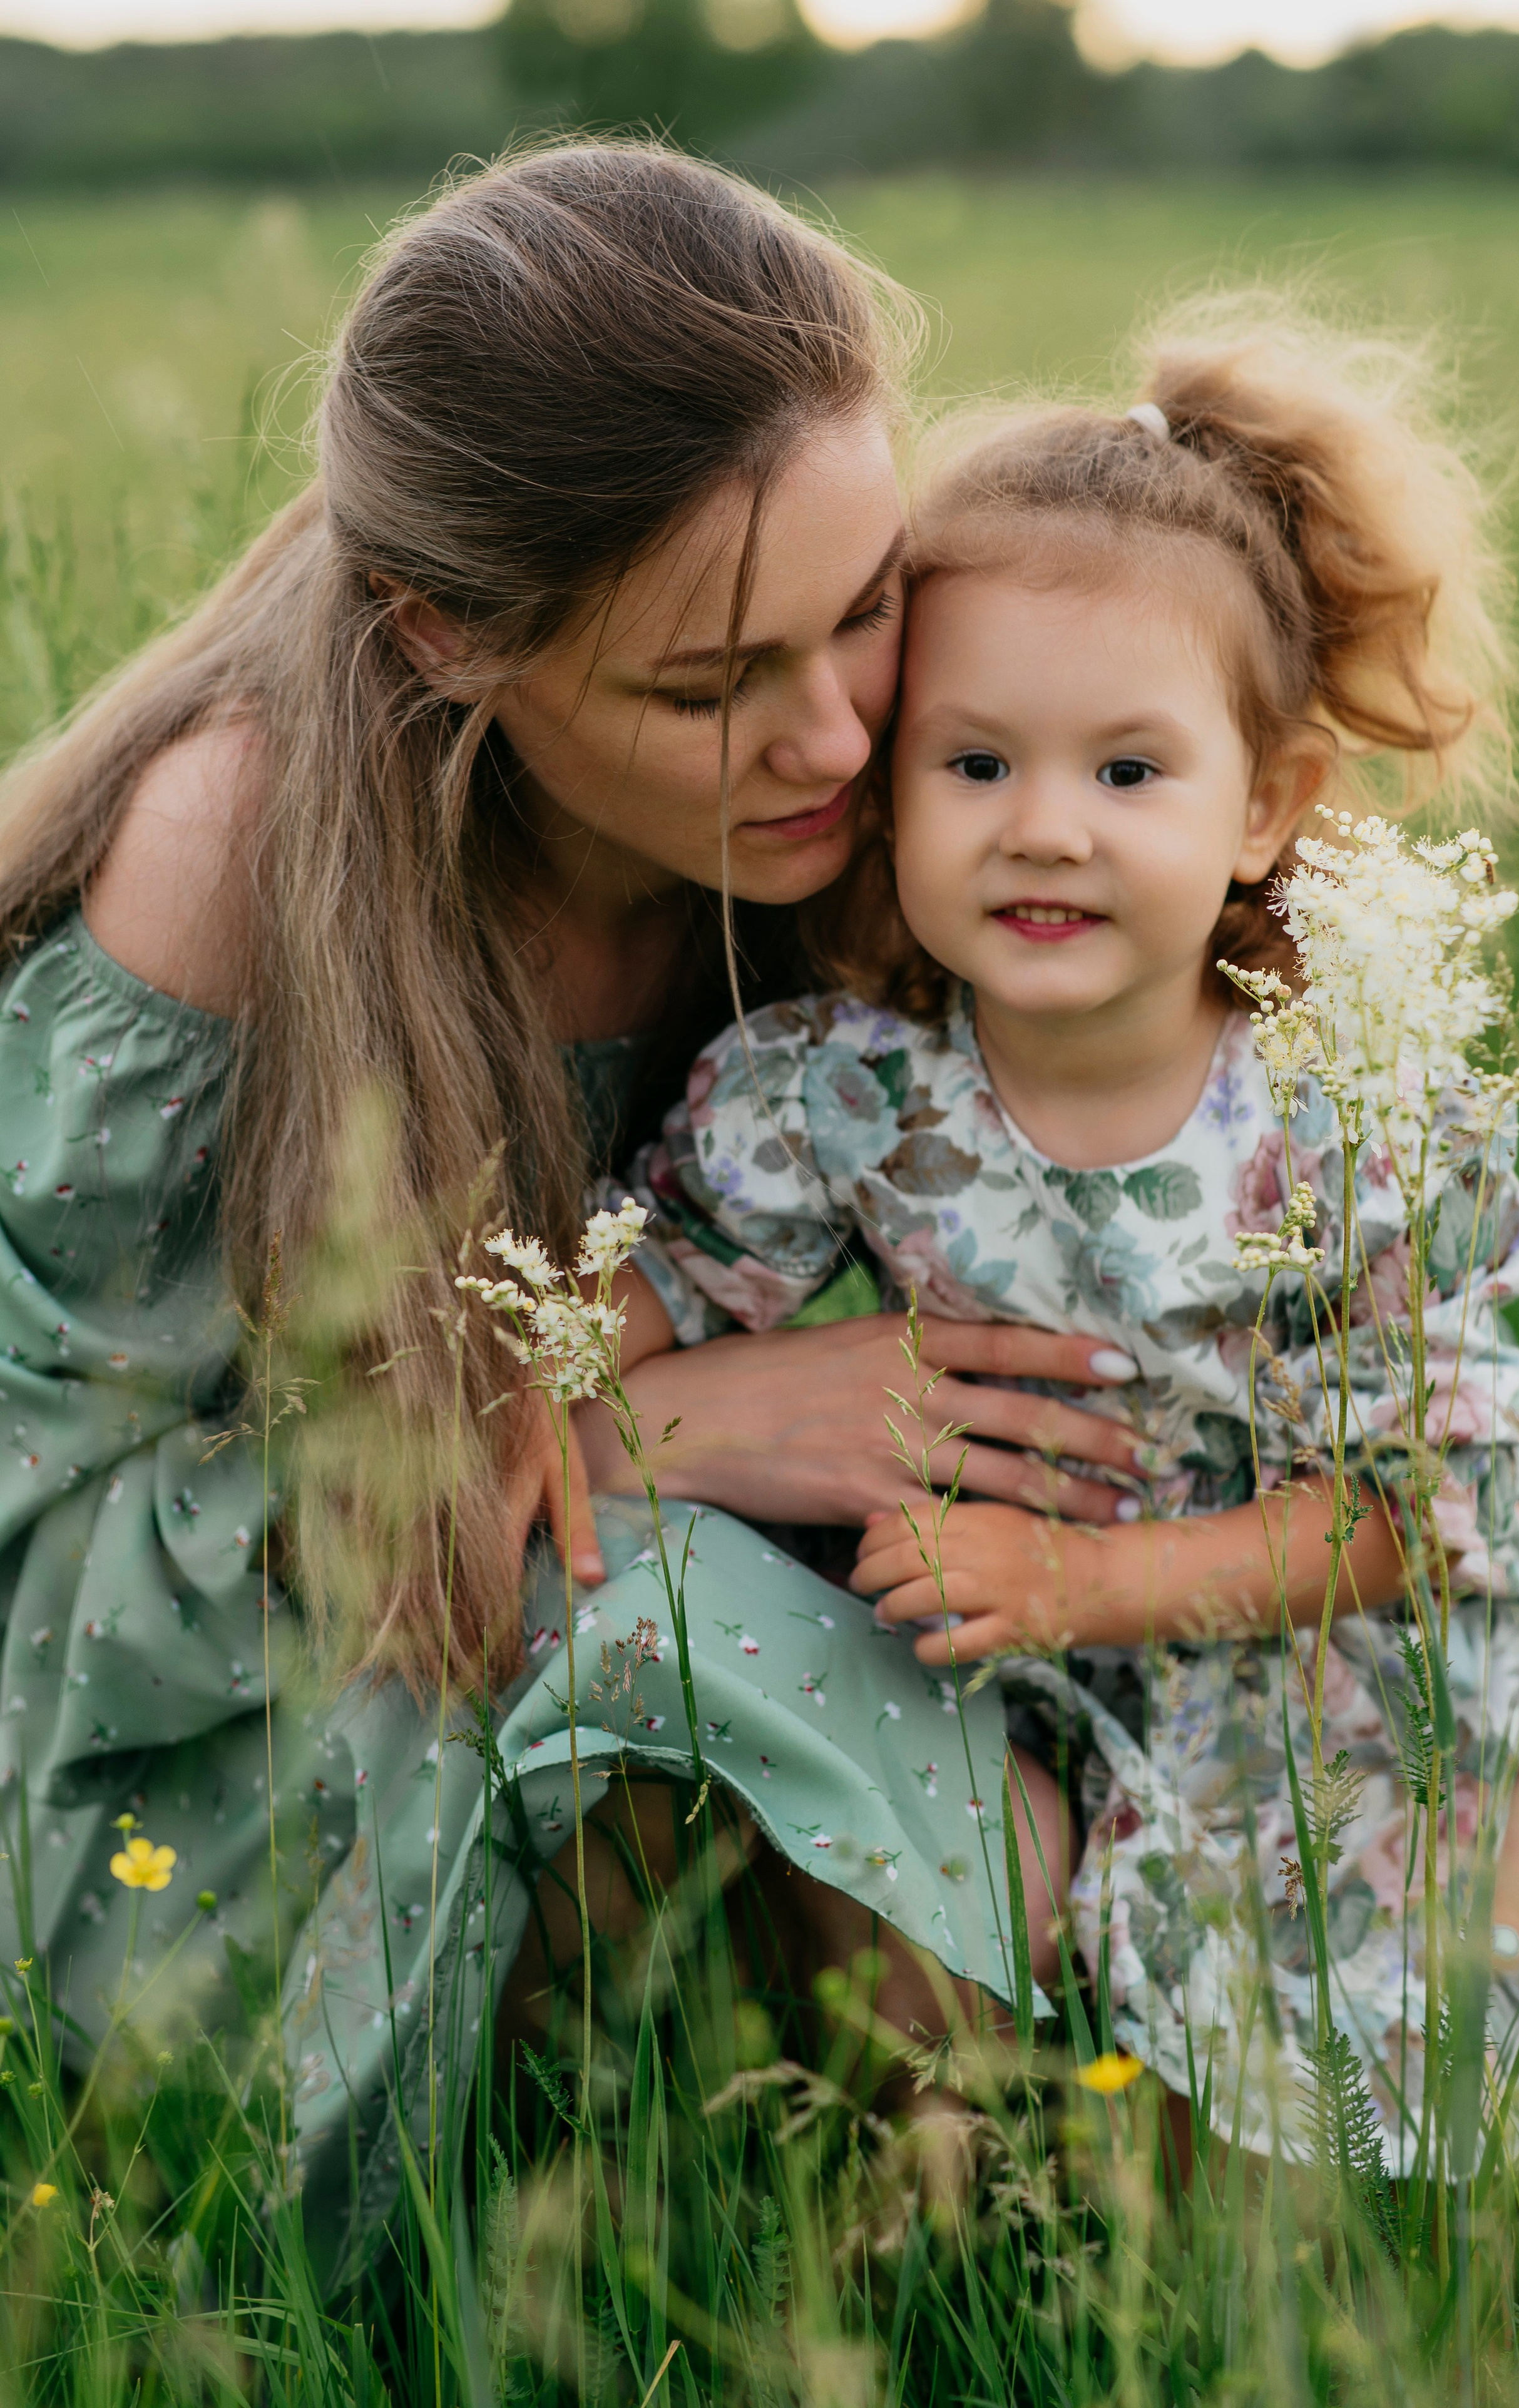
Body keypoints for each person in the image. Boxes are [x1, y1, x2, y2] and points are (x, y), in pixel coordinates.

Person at [0, 142, 1150, 2267]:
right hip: (248, 1735)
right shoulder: (232, 857)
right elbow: (65, 1569)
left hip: (738, 1591)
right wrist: (661, 1423)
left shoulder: (959, 740)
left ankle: (1018, 2242)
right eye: (707, 691)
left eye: (869, 601)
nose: (833, 734)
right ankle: (836, 2246)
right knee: (703, 1644)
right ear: (454, 642)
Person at [621, 301, 1519, 2165]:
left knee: (1341, 2118)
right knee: (990, 1991)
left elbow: (1438, 1503)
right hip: (1019, 1677)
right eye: (974, 765)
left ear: (1270, 807)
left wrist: (1083, 1585)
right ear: (884, 785)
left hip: (1310, 1683)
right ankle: (953, 2184)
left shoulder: (1343, 1120)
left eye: (1128, 773)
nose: (1044, 829)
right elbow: (640, 1320)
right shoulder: (842, 1097)